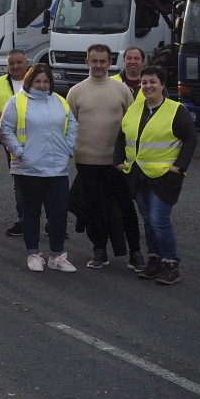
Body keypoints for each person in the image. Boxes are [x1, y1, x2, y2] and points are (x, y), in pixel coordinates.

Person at [114, 66, 197, 285]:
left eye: (153, 82)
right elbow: (122, 137)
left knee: (159, 220)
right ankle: (155, 259)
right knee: (149, 221)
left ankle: (171, 264)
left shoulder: (176, 110)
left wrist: (180, 166)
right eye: (144, 82)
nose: (148, 86)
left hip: (163, 176)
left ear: (162, 85)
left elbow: (190, 139)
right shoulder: (134, 108)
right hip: (136, 175)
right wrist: (119, 161)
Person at [67, 43, 143, 272]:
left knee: (126, 207)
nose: (98, 65)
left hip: (118, 163)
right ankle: (99, 249)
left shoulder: (122, 91)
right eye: (94, 61)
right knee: (92, 208)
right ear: (87, 62)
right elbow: (69, 127)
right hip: (87, 161)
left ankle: (136, 252)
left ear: (111, 63)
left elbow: (133, 125)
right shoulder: (76, 91)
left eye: (103, 61)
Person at [0, 63, 79, 273]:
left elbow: (72, 126)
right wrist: (20, 152)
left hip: (57, 168)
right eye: (38, 81)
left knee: (60, 213)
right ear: (29, 81)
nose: (42, 85)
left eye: (46, 81)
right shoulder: (17, 101)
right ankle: (33, 254)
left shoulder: (60, 101)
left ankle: (56, 256)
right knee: (31, 212)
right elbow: (5, 130)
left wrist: (68, 150)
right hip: (28, 168)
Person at [0, 49, 30, 237]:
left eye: (19, 62)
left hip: (39, 141)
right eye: (11, 63)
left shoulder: (38, 81)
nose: (15, 66)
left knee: (46, 182)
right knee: (20, 183)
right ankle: (24, 221)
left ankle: (51, 223)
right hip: (11, 144)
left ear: (27, 63)